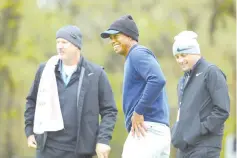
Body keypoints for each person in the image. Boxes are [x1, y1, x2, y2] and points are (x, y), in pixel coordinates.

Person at [24, 25, 118, 158]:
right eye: (58, 42)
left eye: (64, 42)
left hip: (79, 152)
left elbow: (109, 111)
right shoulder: (45, 70)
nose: (60, 46)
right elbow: (31, 101)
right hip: (46, 148)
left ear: (77, 46)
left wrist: (103, 140)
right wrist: (29, 131)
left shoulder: (96, 74)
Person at [100, 15, 170, 158]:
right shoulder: (133, 57)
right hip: (154, 132)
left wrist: (138, 111)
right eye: (110, 38)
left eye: (116, 36)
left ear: (129, 36)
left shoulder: (137, 53)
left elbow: (157, 80)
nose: (112, 41)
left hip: (146, 131)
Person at [171, 31, 230, 158]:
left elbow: (222, 110)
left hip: (205, 147)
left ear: (195, 52)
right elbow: (181, 113)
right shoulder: (182, 81)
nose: (180, 60)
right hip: (184, 148)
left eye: (183, 55)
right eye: (177, 57)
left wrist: (199, 129)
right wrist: (176, 133)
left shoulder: (211, 72)